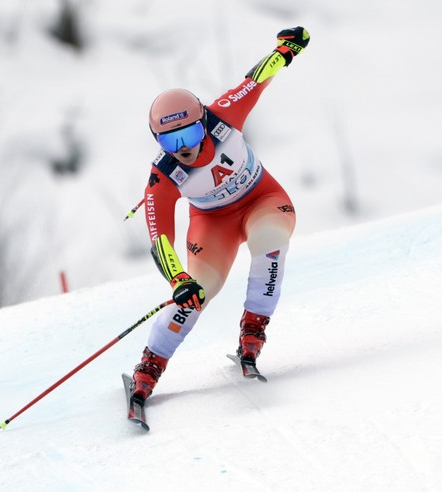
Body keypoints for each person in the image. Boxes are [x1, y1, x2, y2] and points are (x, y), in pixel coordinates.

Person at [129, 26, 310, 402]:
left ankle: (252, 333)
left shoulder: (224, 115)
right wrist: (179, 279)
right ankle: (149, 368)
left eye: (189, 136)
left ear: (203, 123)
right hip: (213, 225)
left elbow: (257, 79)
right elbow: (159, 239)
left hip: (262, 198)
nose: (183, 149)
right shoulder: (161, 177)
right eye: (169, 142)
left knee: (270, 241)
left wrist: (286, 49)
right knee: (197, 294)